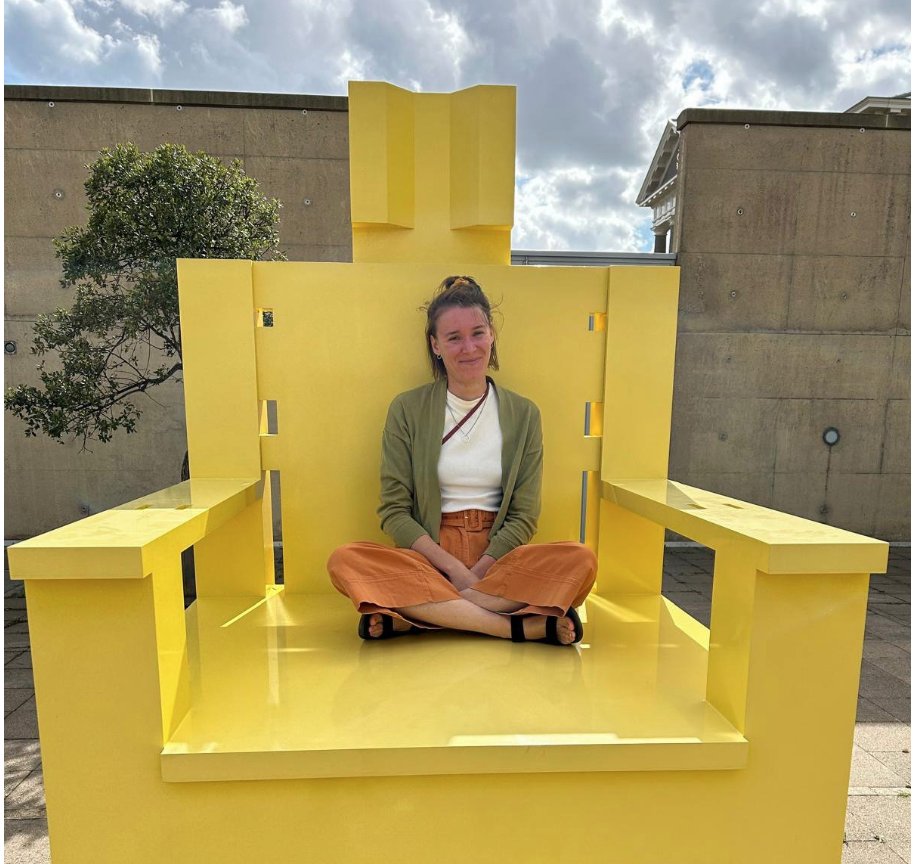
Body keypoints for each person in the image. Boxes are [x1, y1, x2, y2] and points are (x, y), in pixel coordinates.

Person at [327, 275, 597, 645]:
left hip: (499, 557)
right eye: (454, 338)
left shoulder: (524, 414)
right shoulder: (407, 409)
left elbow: (524, 515)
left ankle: (419, 615)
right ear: (436, 345)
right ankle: (513, 626)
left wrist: (481, 569)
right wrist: (453, 569)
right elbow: (394, 512)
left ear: (492, 335)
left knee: (580, 560)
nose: (468, 347)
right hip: (429, 557)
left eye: (477, 333)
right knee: (345, 560)